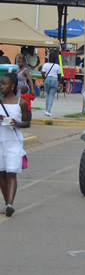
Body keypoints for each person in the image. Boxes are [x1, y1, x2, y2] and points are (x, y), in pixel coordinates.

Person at [0, 72, 30, 217]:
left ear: (12, 86)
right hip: (0, 142)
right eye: (0, 84)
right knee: (1, 174)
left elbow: (27, 122)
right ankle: (6, 205)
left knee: (11, 173)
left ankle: (10, 204)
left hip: (14, 142)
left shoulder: (21, 103)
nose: (1, 86)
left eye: (5, 84)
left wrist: (17, 123)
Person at [41, 52, 62, 117]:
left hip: (47, 79)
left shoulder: (45, 65)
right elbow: (59, 75)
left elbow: (43, 74)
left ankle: (46, 109)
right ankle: (48, 110)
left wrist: (45, 78)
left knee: (48, 94)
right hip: (54, 80)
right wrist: (59, 81)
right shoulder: (57, 66)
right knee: (51, 95)